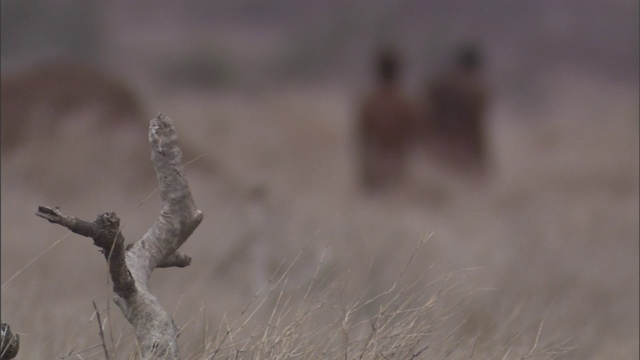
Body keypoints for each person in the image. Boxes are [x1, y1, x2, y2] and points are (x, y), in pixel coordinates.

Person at [422, 44, 490, 175]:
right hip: (464, 149)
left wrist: (426, 146)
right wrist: (482, 160)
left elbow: (427, 116)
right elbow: (476, 127)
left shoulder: (439, 85)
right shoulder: (476, 92)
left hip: (440, 145)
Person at [356, 48, 416, 191]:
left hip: (376, 164)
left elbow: (363, 140)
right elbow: (413, 139)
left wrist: (365, 172)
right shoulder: (406, 104)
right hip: (398, 165)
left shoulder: (370, 103)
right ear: (398, 72)